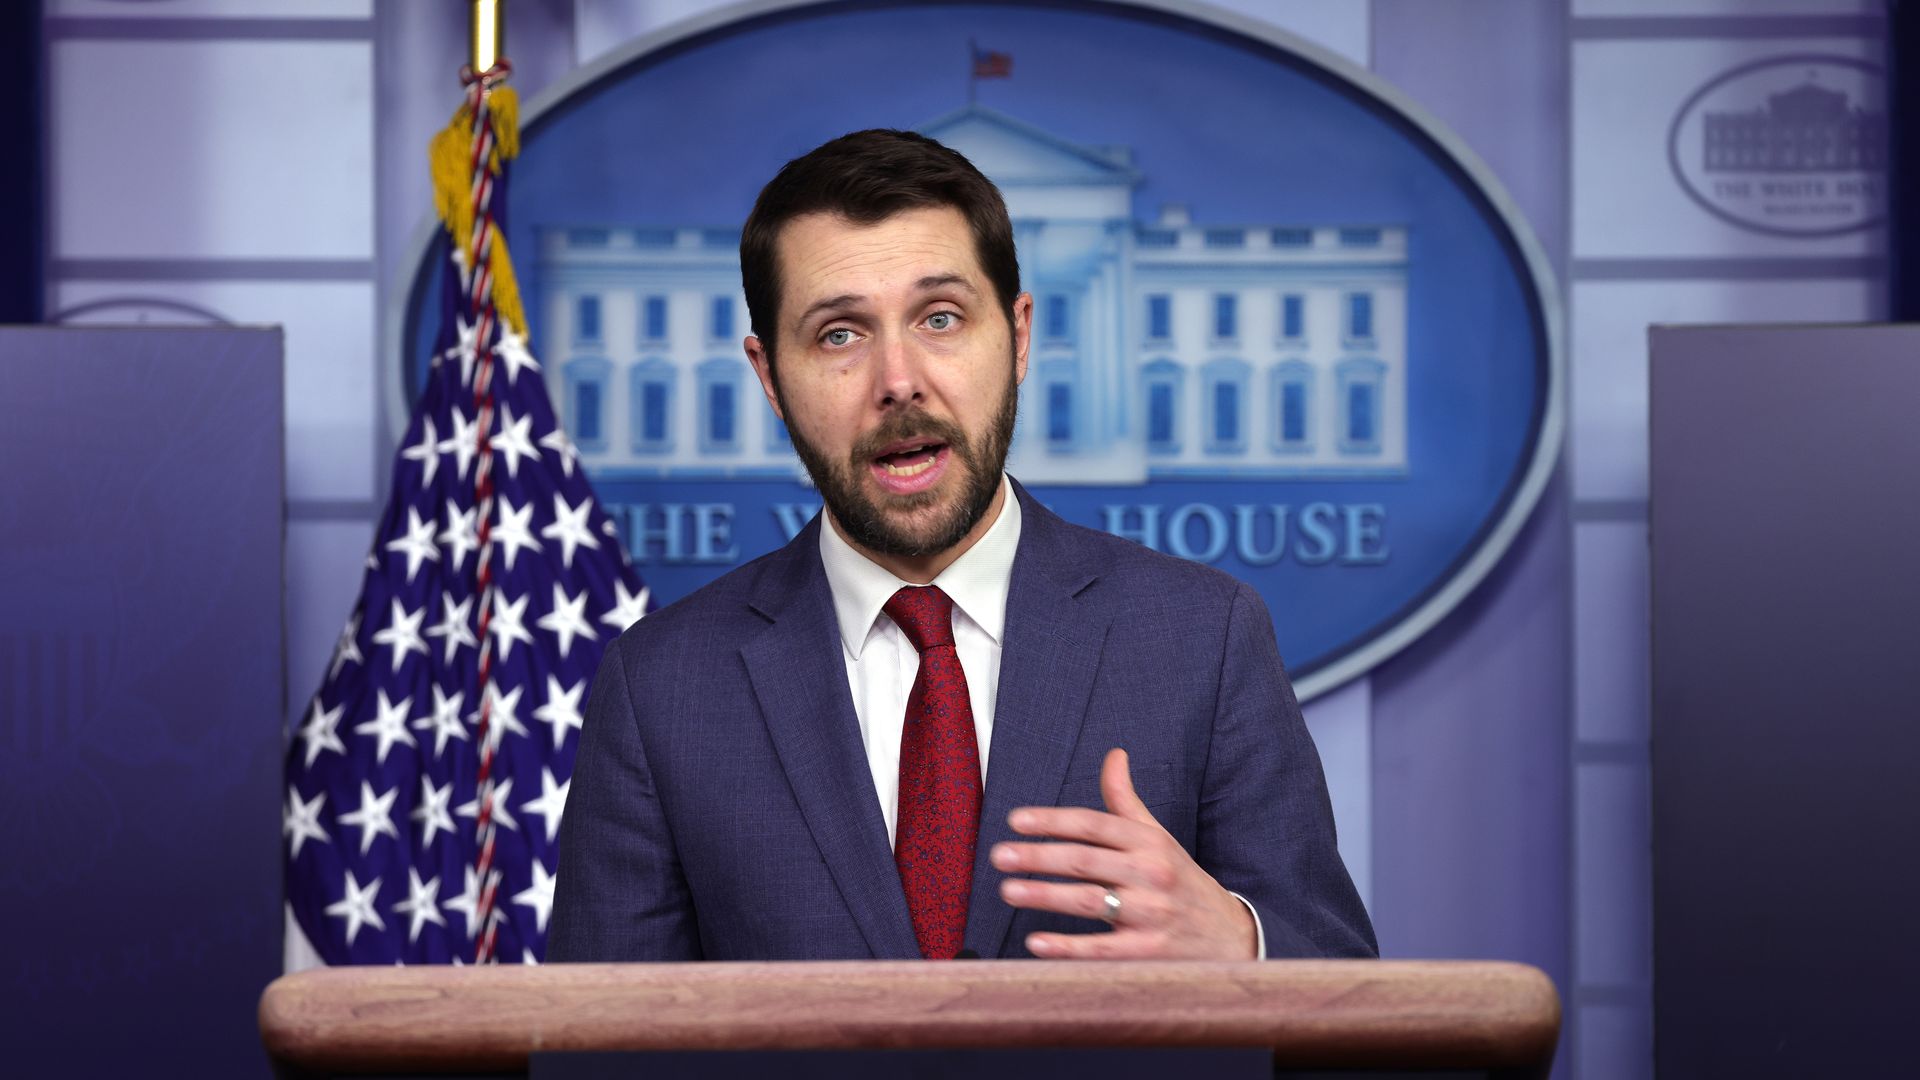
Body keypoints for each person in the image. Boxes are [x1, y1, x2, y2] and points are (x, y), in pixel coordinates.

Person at [547, 129, 1376, 962]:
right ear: (769, 378)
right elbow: (600, 1045)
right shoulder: (659, 688)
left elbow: (1344, 987)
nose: (898, 380)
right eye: (840, 334)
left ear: (1017, 337)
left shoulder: (1205, 635)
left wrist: (1241, 944)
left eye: (940, 318)